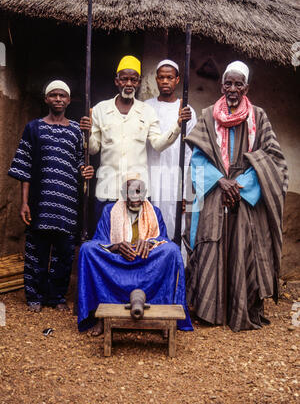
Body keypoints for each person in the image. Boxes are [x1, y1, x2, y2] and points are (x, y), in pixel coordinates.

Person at [184, 61, 288, 332]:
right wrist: (221, 181)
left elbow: (273, 160)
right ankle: (210, 311)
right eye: (228, 83)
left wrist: (239, 185)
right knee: (210, 245)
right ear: (221, 86)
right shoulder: (207, 116)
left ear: (246, 87)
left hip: (244, 195)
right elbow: (196, 160)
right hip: (215, 190)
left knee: (245, 247)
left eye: (238, 84)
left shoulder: (259, 116)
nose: (232, 89)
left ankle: (240, 310)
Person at [8, 80, 94, 312]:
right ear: (46, 99)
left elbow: (80, 161)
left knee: (64, 252)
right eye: (53, 95)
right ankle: (34, 296)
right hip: (40, 201)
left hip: (67, 202)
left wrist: (84, 170)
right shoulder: (33, 128)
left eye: (62, 95)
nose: (58, 99)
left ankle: (56, 297)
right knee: (37, 250)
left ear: (69, 100)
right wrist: (24, 202)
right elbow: (24, 167)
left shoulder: (77, 130)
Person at [79, 55, 192, 225]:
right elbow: (93, 149)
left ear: (139, 82)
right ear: (117, 81)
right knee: (106, 242)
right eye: (124, 79)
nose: (129, 84)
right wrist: (86, 133)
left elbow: (158, 144)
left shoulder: (147, 111)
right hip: (107, 188)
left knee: (135, 243)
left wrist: (178, 125)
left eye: (133, 80)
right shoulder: (101, 110)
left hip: (137, 193)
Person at [77, 174, 193, 336]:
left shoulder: (155, 212)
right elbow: (99, 241)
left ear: (144, 193)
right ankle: (101, 316)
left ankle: (164, 317)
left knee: (172, 251)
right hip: (117, 263)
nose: (134, 197)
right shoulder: (110, 211)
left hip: (146, 263)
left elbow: (163, 240)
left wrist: (151, 243)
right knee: (87, 250)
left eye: (138, 192)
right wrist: (116, 246)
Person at [145, 59, 197, 241]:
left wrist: (186, 192)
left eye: (169, 77)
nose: (165, 81)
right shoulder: (146, 107)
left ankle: (175, 268)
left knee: (175, 226)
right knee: (150, 225)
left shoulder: (186, 110)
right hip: (151, 175)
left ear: (177, 80)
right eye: (161, 77)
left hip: (176, 177)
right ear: (156, 80)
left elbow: (191, 153)